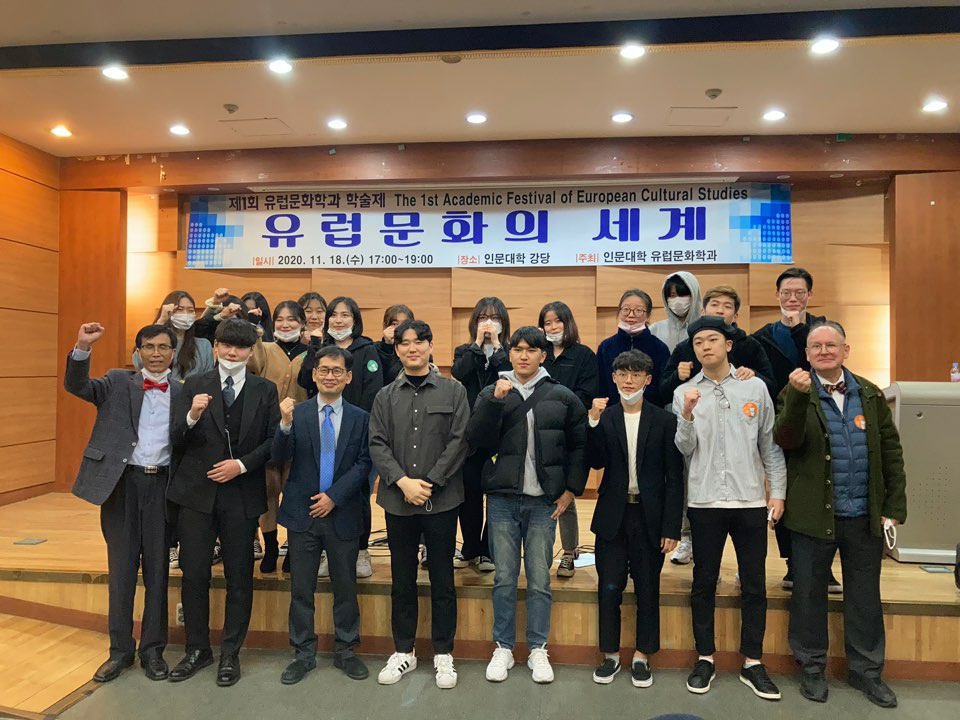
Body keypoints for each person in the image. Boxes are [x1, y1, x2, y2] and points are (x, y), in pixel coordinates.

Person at [774, 321, 907, 708]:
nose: (824, 351)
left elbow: (891, 451)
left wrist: (894, 507)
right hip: (811, 516)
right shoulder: (794, 390)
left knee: (865, 597)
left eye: (831, 345)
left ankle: (867, 671)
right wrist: (797, 398)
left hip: (864, 513)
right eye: (816, 346)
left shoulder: (869, 392)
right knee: (808, 596)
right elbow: (785, 439)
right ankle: (812, 668)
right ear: (807, 354)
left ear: (846, 350)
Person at [673, 316, 786, 701]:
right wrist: (687, 415)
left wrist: (778, 493)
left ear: (728, 345)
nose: (705, 346)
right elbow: (684, 449)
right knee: (703, 582)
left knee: (754, 583)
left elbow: (770, 445)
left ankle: (753, 661)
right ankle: (705, 657)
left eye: (712, 340)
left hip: (750, 500)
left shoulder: (754, 387)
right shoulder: (685, 392)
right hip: (704, 501)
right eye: (699, 342)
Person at [468, 326, 588, 685]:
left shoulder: (562, 396)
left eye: (531, 350)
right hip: (502, 500)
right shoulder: (493, 391)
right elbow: (476, 440)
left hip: (543, 504)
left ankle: (538, 647)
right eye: (517, 349)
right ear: (510, 353)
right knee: (504, 578)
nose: (523, 355)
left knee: (538, 580)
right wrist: (494, 401)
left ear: (542, 355)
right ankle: (503, 646)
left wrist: (571, 490)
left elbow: (580, 446)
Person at [167, 319, 280, 687]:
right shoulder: (193, 385)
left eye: (240, 347)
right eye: (226, 345)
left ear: (250, 352)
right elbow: (175, 439)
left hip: (241, 495)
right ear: (214, 347)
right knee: (194, 573)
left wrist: (241, 465)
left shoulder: (265, 389)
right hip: (196, 494)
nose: (232, 352)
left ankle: (231, 653)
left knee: (239, 576)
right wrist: (192, 415)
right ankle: (197, 649)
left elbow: (273, 442)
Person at [65, 322, 180, 683]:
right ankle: (119, 651)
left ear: (173, 352)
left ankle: (153, 651)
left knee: (158, 573)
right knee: (121, 572)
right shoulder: (117, 381)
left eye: (163, 347)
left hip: (162, 488)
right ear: (138, 352)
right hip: (121, 486)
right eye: (149, 347)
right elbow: (77, 386)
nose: (156, 354)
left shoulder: (185, 391)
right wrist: (83, 346)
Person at [369, 320, 470, 689]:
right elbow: (377, 443)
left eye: (419, 342)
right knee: (402, 579)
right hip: (398, 501)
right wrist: (403, 482)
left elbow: (460, 440)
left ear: (430, 345)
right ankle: (404, 651)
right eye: (404, 343)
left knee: (443, 579)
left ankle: (443, 652)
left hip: (441, 500)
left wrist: (430, 483)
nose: (412, 348)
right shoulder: (385, 396)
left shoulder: (454, 390)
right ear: (396, 349)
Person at [273, 345, 373, 685]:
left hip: (343, 513)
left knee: (345, 587)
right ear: (314, 375)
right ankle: (303, 653)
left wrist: (334, 496)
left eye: (337, 371)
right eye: (324, 370)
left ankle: (346, 650)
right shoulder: (296, 413)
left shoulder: (361, 417)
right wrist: (284, 425)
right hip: (302, 515)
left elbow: (364, 463)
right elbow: (278, 457)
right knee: (301, 589)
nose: (330, 376)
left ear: (348, 377)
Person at [658, 285, 775, 566]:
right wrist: (679, 382)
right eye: (714, 305)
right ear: (703, 310)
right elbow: (663, 391)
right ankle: (688, 537)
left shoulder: (751, 350)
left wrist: (753, 375)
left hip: (748, 489)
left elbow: (770, 386)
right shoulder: (685, 351)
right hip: (704, 484)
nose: (706, 346)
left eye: (727, 306)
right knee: (705, 573)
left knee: (752, 573)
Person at [587, 350, 683, 687]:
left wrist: (672, 527)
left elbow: (675, 478)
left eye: (636, 374)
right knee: (609, 588)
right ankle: (610, 654)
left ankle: (643, 655)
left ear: (648, 379)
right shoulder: (606, 417)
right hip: (613, 516)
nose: (629, 381)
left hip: (650, 517)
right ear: (613, 378)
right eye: (623, 374)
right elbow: (596, 461)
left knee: (648, 589)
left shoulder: (665, 420)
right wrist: (593, 422)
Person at [752, 268, 839, 592]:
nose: (792, 298)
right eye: (786, 292)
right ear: (777, 295)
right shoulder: (762, 336)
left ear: (809, 295)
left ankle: (824, 567)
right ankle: (792, 563)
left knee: (821, 492)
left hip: (820, 420)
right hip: (780, 419)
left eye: (799, 292)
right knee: (784, 491)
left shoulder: (822, 330)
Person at [298, 296, 384, 578]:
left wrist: (360, 427)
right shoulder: (320, 347)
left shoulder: (367, 350)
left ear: (355, 320)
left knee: (358, 492)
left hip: (356, 433)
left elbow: (373, 393)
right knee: (324, 489)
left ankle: (361, 550)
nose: (338, 320)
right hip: (323, 430)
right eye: (334, 315)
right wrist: (314, 346)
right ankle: (326, 550)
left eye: (345, 315)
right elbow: (303, 380)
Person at [248, 300, 310, 573]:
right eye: (280, 319)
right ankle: (271, 546)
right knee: (268, 491)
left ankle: (294, 547)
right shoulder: (265, 348)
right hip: (268, 431)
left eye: (292, 319)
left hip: (301, 432)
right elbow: (252, 364)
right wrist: (255, 330)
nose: (286, 324)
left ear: (302, 323)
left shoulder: (310, 353)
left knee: (296, 491)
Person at [451, 297, 512, 572]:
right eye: (482, 318)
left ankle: (489, 550)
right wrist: (477, 345)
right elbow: (460, 373)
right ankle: (470, 548)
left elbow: (508, 375)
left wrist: (497, 346)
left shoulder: (510, 351)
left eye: (495, 318)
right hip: (470, 433)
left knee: (496, 496)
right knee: (469, 494)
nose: (488, 323)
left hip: (501, 432)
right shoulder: (465, 350)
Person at [538, 300, 598, 577]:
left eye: (557, 321)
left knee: (566, 492)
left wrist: (560, 409)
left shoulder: (584, 355)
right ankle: (540, 551)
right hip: (540, 430)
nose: (552, 327)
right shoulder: (539, 354)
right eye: (547, 323)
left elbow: (587, 393)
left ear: (568, 323)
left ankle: (569, 551)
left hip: (571, 429)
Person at [597, 289, 670, 407]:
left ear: (648, 315)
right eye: (626, 309)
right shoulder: (606, 347)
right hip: (612, 412)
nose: (631, 315)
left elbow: (663, 389)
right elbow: (601, 386)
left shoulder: (660, 348)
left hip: (650, 412)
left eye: (638, 310)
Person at [133, 291, 214, 384]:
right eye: (179, 309)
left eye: (190, 310)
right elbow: (138, 363)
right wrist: (161, 321)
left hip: (193, 392)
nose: (185, 314)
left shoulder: (203, 345)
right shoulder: (158, 343)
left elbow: (208, 378)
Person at [649, 271, 703, 352]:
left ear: (694, 295)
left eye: (683, 295)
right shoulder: (656, 330)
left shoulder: (705, 328)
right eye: (672, 296)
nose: (678, 300)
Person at [376, 304, 415, 383]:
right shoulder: (375, 349)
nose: (399, 328)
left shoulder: (417, 349)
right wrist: (387, 345)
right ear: (385, 326)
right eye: (394, 324)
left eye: (404, 324)